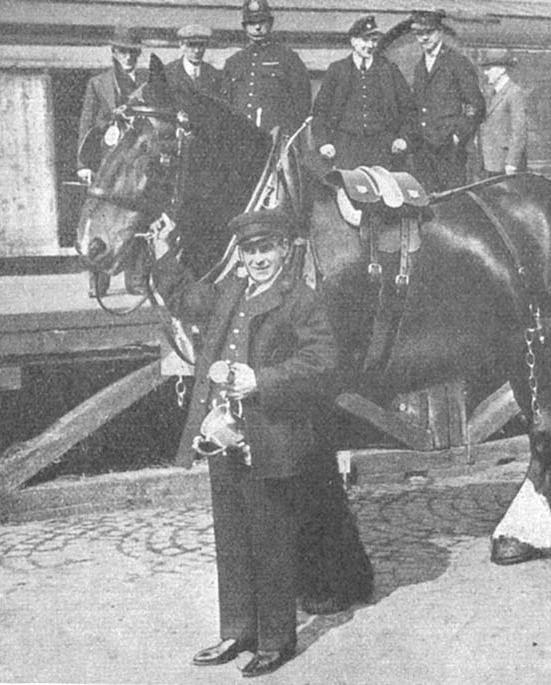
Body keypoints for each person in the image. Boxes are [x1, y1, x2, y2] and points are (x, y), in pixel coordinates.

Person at [153, 209, 370, 677]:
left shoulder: (301, 301)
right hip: (222, 434)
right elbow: (188, 300)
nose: (258, 259)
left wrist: (262, 379)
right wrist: (163, 254)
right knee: (232, 537)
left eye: (266, 249)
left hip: (271, 437)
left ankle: (275, 640)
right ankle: (238, 631)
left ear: (284, 250)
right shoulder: (231, 291)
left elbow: (323, 361)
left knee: (271, 538)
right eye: (250, 251)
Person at [76, 25, 149, 295]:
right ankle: (98, 281)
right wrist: (83, 164)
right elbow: (86, 125)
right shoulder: (98, 83)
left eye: (133, 52)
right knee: (98, 219)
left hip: (135, 163)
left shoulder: (148, 80)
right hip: (107, 163)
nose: (128, 57)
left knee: (138, 218)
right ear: (114, 52)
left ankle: (137, 280)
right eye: (123, 52)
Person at [312, 15, 415, 170]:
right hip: (345, 148)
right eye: (365, 40)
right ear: (353, 41)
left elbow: (409, 109)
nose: (370, 45)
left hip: (383, 148)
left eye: (374, 40)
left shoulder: (389, 69)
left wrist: (403, 139)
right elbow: (320, 111)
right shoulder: (338, 70)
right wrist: (323, 143)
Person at [409, 9, 485, 191]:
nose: (424, 38)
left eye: (429, 32)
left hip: (449, 150)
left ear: (440, 32)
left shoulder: (457, 62)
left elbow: (477, 105)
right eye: (419, 33)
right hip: (424, 150)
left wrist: (458, 136)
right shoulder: (420, 67)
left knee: (452, 204)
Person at [220, 0, 311, 135]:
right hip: (239, 139)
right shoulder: (234, 62)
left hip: (274, 139)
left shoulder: (288, 59)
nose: (257, 27)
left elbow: (302, 102)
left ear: (271, 23)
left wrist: (285, 133)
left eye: (262, 22)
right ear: (244, 27)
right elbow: (225, 106)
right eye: (251, 23)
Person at [477, 50, 527, 177]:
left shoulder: (514, 92)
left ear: (501, 70)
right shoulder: (491, 93)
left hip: (506, 164)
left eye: (489, 68)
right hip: (490, 162)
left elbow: (519, 131)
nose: (485, 73)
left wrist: (512, 162)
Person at [164, 24, 221, 98]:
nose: (197, 51)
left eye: (201, 45)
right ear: (181, 45)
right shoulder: (168, 72)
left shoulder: (214, 74)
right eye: (191, 45)